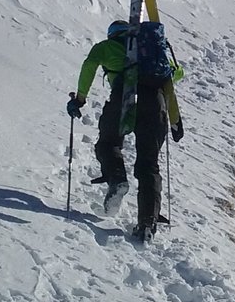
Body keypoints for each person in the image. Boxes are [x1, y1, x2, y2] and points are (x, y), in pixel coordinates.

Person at [68, 20, 184, 240]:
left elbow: (89, 65)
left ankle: (117, 178)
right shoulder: (150, 51)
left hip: (122, 98)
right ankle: (147, 224)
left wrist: (80, 99)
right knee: (149, 163)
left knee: (108, 142)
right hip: (154, 102)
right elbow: (176, 74)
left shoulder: (106, 47)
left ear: (112, 35)